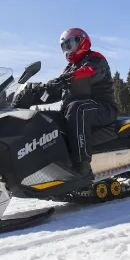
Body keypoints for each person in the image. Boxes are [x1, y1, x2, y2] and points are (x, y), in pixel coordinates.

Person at [42, 28, 117, 179]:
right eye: (64, 47)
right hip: (79, 110)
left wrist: (64, 79)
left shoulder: (95, 58)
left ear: (81, 41)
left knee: (78, 109)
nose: (68, 50)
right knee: (49, 118)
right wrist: (41, 90)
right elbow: (58, 90)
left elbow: (89, 71)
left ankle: (83, 167)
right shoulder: (69, 68)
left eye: (70, 45)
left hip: (103, 108)